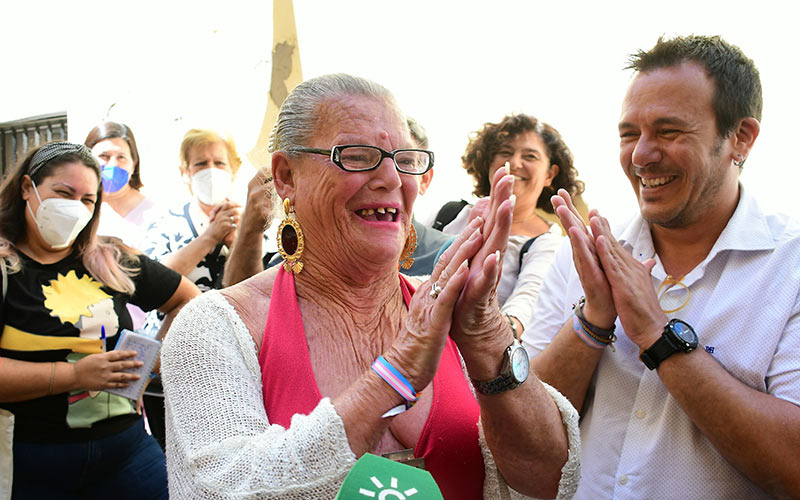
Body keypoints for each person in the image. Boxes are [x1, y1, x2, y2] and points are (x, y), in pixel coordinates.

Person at [161, 74, 580, 499]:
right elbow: (217, 488)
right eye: (358, 157)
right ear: (286, 176)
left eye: (406, 159)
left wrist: (486, 337)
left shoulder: (444, 311)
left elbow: (551, 480)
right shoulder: (215, 327)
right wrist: (394, 376)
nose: (392, 178)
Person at [526, 35, 800, 499]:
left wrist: (658, 335)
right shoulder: (585, 254)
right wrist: (593, 322)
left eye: (669, 131)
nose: (641, 155)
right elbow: (524, 432)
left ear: (741, 138)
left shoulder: (788, 269)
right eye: (629, 133)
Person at [0, 142, 200, 499]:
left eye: (87, 200)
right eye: (63, 193)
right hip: (30, 460)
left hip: (127, 451)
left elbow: (188, 301)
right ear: (28, 188)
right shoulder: (5, 267)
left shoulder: (109, 259)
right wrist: (75, 375)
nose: (75, 207)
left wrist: (149, 364)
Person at [431, 114, 584, 334]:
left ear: (550, 174)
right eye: (505, 153)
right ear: (488, 163)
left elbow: (525, 306)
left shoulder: (548, 244)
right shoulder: (448, 215)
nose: (515, 163)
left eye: (530, 156)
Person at [143, 129, 244, 291]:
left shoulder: (254, 224)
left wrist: (237, 243)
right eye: (201, 164)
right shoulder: (162, 222)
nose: (211, 170)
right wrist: (211, 236)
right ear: (186, 172)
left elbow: (263, 284)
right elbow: (153, 282)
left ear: (233, 169)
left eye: (219, 163)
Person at [85, 121, 159, 251]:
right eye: (104, 156)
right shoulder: (79, 207)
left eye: (121, 157)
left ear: (134, 164)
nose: (113, 165)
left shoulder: (155, 214)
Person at [402, 116, 455, 277]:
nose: (388, 176)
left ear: (424, 179)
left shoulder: (451, 253)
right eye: (361, 158)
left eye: (405, 162)